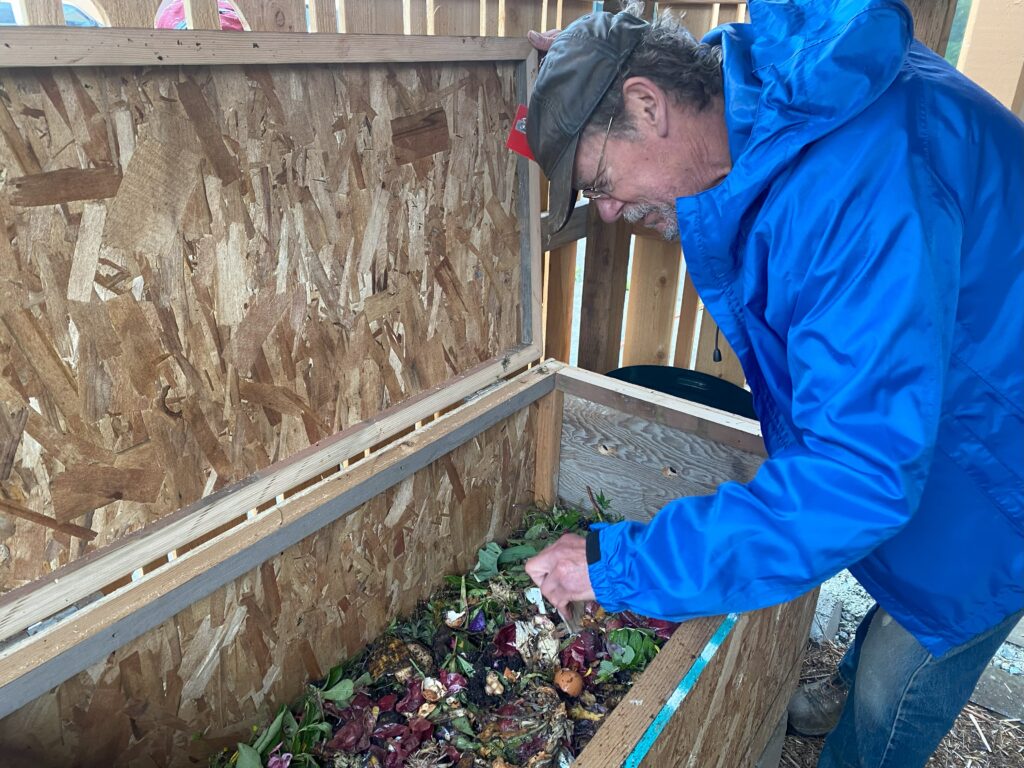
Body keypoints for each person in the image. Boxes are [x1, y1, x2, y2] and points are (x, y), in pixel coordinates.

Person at [521, 2, 1023, 766]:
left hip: (1000, 454)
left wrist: (618, 565)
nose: (611, 213)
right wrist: (585, 70)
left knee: (904, 673)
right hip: (956, 389)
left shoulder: (855, 183)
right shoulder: (771, 102)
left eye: (601, 181)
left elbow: (857, 475)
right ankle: (837, 692)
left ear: (649, 104)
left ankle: (860, 731)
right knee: (902, 574)